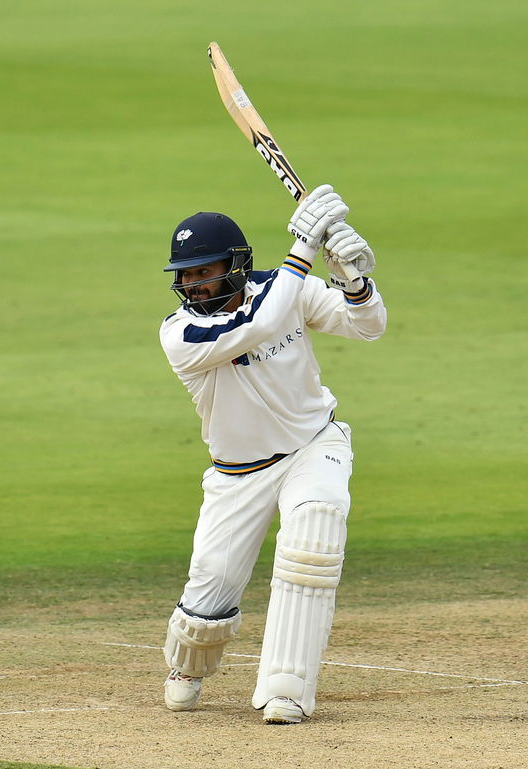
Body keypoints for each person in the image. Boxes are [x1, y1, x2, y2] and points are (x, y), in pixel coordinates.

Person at [158, 184, 387, 724]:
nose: (193, 284)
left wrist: (352, 278)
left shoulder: (284, 288)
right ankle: (188, 664)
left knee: (314, 537)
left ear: (237, 266)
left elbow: (369, 326)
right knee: (210, 587)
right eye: (185, 275)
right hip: (238, 473)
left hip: (313, 445)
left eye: (204, 271)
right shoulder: (182, 333)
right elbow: (258, 325)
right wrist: (305, 248)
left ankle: (287, 687)